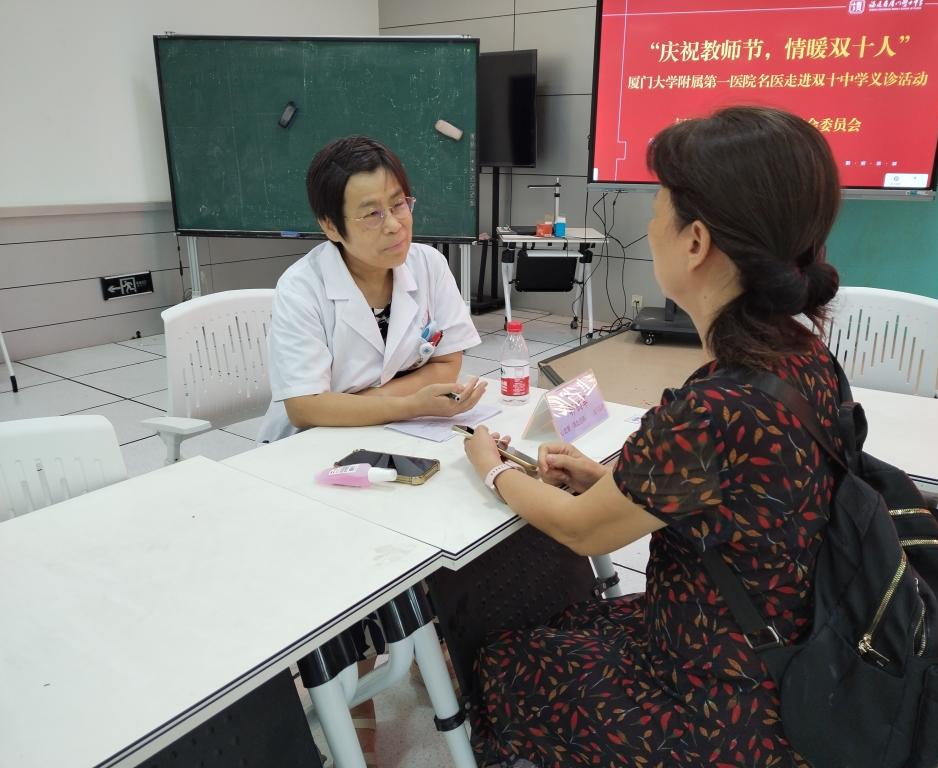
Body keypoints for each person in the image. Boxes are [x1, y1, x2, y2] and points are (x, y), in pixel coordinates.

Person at [462, 106, 844, 767]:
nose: (647, 225)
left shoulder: (715, 405)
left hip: (724, 703)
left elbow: (581, 530)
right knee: (573, 618)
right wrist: (606, 480)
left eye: (657, 206)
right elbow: (741, 501)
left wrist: (492, 468)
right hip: (794, 652)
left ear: (695, 243)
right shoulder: (804, 357)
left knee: (500, 660)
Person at [257, 135, 486, 442]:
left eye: (398, 204)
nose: (393, 225)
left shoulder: (429, 264)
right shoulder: (301, 288)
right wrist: (409, 405)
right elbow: (305, 407)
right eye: (371, 214)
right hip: (311, 442)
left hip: (393, 433)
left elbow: (447, 364)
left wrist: (365, 403)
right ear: (331, 226)